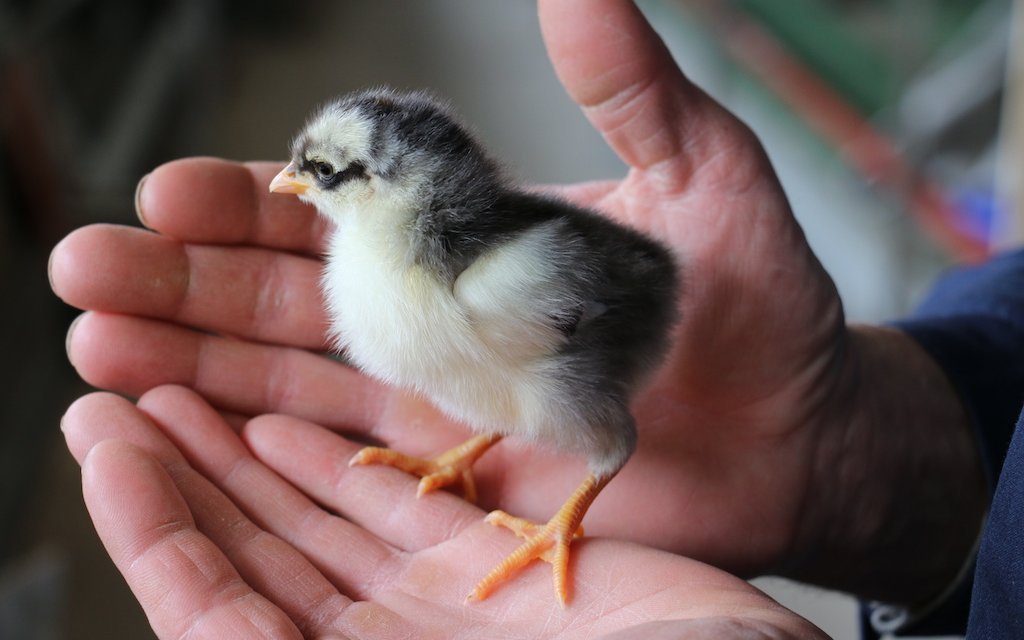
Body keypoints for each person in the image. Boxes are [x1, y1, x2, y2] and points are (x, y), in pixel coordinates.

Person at [48, 0, 1024, 637]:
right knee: (492, 366)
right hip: (963, 438)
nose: (296, 181)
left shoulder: (506, 283)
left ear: (382, 186)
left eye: (322, 171)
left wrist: (558, 523)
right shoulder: (387, 275)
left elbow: (607, 320)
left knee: (538, 375)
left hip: (562, 328)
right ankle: (467, 451)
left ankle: (563, 519)